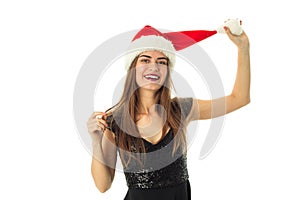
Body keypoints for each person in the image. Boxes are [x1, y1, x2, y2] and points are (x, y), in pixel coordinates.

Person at [86, 21, 250, 200]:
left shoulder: (182, 109)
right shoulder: (115, 121)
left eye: (161, 61)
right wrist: (96, 141)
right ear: (133, 67)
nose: (154, 66)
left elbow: (239, 99)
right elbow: (103, 186)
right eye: (145, 60)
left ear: (167, 70)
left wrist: (243, 48)